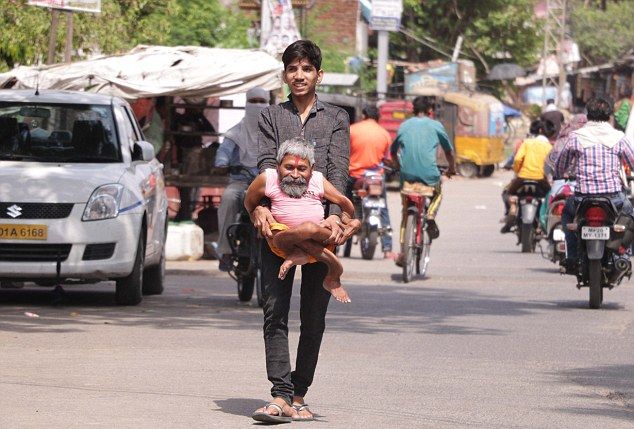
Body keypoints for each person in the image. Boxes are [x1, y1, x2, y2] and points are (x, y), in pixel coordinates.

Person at [250, 40, 355, 424]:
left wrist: (333, 219)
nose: (299, 75)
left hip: (321, 230)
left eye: (306, 69)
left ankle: (299, 392)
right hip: (277, 230)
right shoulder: (270, 117)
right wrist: (260, 207)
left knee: (314, 316)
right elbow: (264, 168)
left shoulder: (337, 117)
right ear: (285, 74)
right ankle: (279, 394)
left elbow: (338, 169)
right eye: (292, 69)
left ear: (318, 75)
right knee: (274, 311)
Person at [244, 137, 360, 303]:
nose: (295, 175)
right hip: (282, 241)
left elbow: (344, 202)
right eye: (289, 167)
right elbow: (249, 202)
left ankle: (303, 253)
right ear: (278, 166)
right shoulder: (267, 178)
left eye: (302, 169)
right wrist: (258, 212)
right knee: (281, 230)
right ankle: (332, 273)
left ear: (311, 170)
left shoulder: (317, 180)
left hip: (320, 240)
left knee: (312, 229)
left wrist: (344, 219)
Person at [555, 96, 634, 272]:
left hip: (582, 198)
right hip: (613, 198)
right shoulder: (618, 137)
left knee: (567, 215)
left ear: (588, 114)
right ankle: (622, 254)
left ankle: (573, 256)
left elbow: (561, 164)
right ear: (609, 115)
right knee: (631, 215)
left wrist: (559, 174)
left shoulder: (576, 136)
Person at [389, 96, 456, 267]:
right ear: (430, 111)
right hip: (429, 176)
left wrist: (397, 165)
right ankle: (431, 214)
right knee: (438, 193)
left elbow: (393, 150)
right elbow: (449, 151)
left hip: (407, 176)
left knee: (406, 213)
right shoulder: (436, 125)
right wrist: (451, 169)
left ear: (412, 110)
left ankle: (403, 253)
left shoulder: (404, 125)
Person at [213, 87, 269, 271]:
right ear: (246, 104)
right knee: (228, 198)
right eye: (254, 102)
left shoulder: (273, 134)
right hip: (240, 182)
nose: (258, 106)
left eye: (262, 101)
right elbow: (223, 153)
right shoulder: (234, 133)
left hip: (267, 183)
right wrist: (222, 164)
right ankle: (226, 252)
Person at [347, 103, 396, 259]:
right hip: (375, 178)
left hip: (354, 176)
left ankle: (339, 238)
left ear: (364, 116)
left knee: (344, 204)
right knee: (383, 209)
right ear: (378, 118)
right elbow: (387, 159)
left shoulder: (353, 129)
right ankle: (387, 249)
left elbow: (344, 153)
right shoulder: (384, 134)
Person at [500, 119, 554, 233]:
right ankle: (543, 218)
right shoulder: (549, 147)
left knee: (507, 192)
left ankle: (513, 207)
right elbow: (551, 165)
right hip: (541, 179)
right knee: (549, 195)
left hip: (522, 177)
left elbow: (518, 159)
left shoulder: (527, 142)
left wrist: (517, 171)